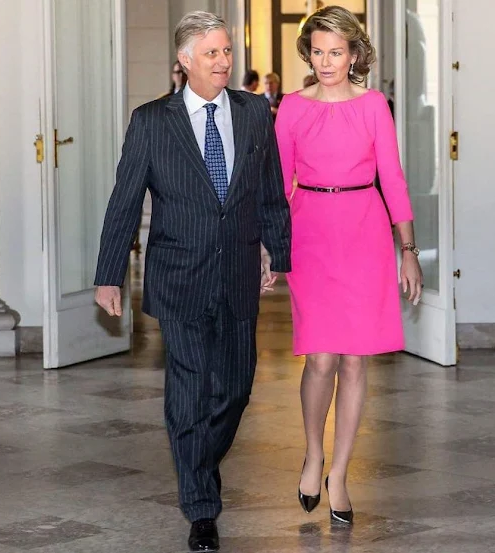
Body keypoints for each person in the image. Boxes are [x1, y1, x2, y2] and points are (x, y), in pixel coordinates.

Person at [94, 11, 291, 552]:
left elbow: (269, 190)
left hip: (237, 269)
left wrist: (279, 252)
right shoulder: (152, 121)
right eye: (212, 53)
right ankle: (201, 508)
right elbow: (124, 201)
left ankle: (198, 462)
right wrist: (109, 274)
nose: (224, 62)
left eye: (227, 51)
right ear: (185, 61)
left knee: (235, 387)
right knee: (187, 388)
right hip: (178, 275)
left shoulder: (254, 113)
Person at [274, 6, 423, 525]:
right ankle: (313, 452)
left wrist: (409, 251)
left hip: (365, 232)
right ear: (308, 53)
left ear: (355, 54)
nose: (326, 61)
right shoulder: (292, 107)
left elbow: (395, 179)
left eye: (336, 52)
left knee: (356, 360)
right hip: (310, 229)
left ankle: (340, 471)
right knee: (319, 358)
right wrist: (270, 248)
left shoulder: (373, 105)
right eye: (317, 51)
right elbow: (276, 184)